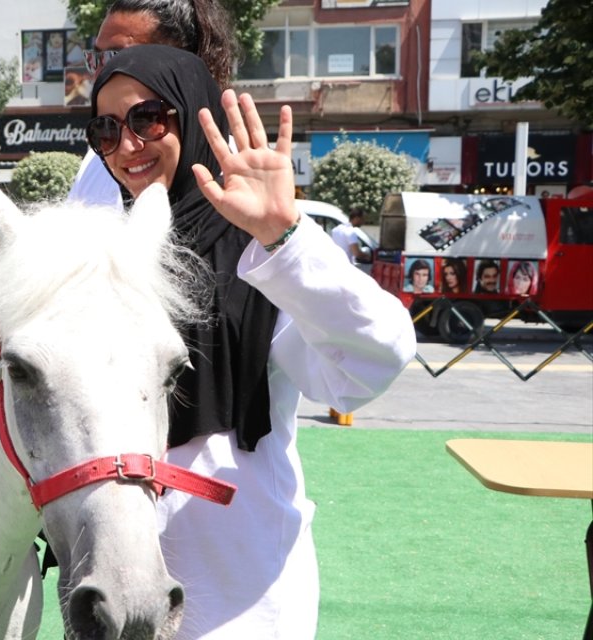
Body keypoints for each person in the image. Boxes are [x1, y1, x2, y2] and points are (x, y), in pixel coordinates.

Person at [87, 45, 415, 639]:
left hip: (240, 591)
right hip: (113, 582)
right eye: (105, 129)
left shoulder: (261, 255)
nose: (126, 145)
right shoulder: (103, 255)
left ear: (190, 114)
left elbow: (375, 362)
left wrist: (283, 236)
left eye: (146, 119)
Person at [68, 0, 237, 208]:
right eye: (97, 59)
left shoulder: (242, 179)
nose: (105, 72)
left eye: (118, 56)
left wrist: (280, 234)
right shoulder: (97, 168)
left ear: (185, 66)